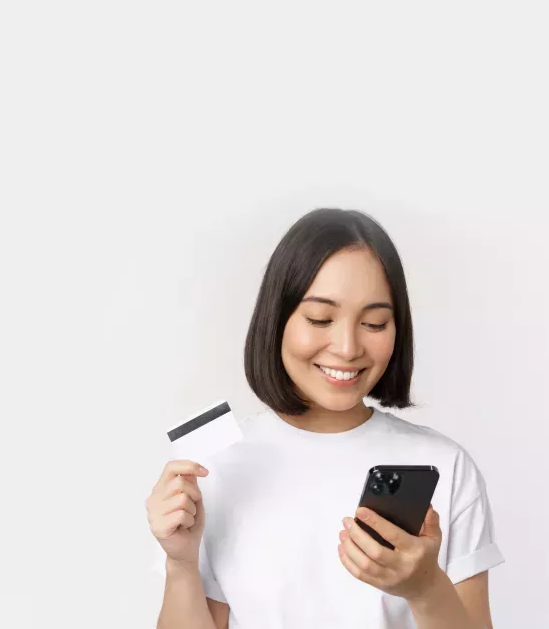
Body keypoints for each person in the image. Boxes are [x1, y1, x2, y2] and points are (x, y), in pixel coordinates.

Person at [145, 208, 502, 629]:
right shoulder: (216, 464)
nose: (348, 347)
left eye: (374, 322)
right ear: (277, 319)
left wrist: (425, 589)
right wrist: (181, 563)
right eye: (320, 319)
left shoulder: (445, 466)